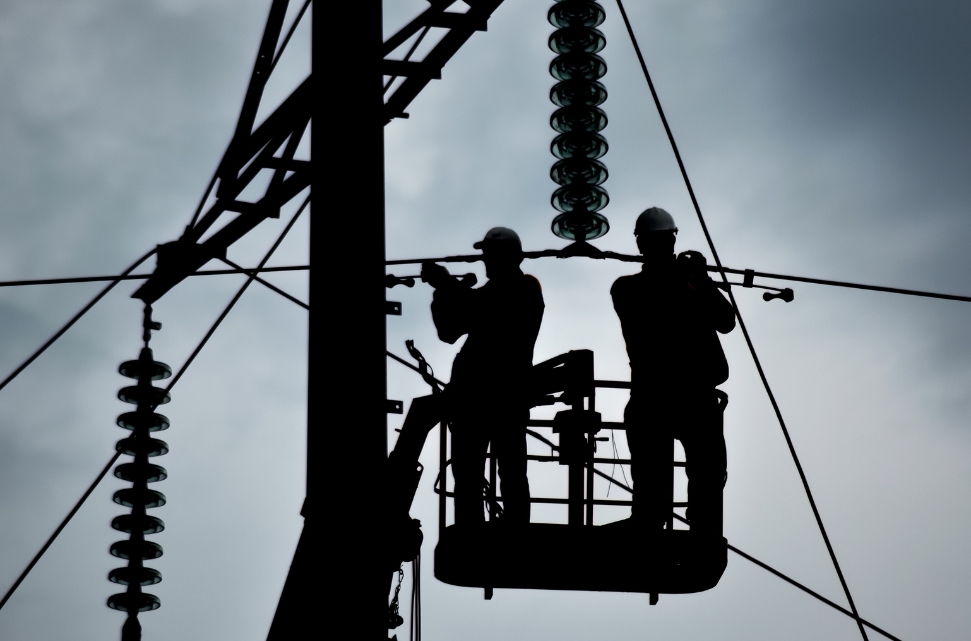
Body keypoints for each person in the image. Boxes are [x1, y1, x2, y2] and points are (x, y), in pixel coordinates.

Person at [610, 207, 736, 533]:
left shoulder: (690, 285)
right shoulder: (629, 288)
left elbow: (726, 321)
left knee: (704, 470)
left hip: (680, 395)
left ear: (640, 243)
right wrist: (693, 279)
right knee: (675, 471)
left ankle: (692, 522)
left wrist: (702, 281)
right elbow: (659, 307)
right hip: (663, 396)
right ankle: (656, 521)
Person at [421, 227, 544, 525]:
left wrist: (448, 285)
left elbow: (489, 309)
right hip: (472, 401)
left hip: (504, 398)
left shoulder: (525, 288)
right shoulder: (485, 295)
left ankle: (515, 531)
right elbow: (449, 331)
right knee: (467, 474)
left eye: (489, 255)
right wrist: (442, 291)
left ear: (508, 258)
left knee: (511, 472)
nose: (484, 260)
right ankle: (470, 530)